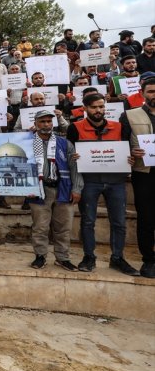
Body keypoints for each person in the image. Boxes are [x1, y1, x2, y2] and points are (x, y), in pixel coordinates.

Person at [67, 93, 138, 276]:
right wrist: (72, 157)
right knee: (88, 221)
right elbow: (69, 154)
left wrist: (130, 157)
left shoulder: (119, 127)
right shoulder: (74, 128)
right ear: (84, 109)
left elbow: (128, 150)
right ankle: (89, 257)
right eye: (94, 107)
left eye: (101, 107)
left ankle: (117, 258)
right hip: (89, 182)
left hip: (116, 181)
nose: (98, 110)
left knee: (119, 222)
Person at [26, 110, 83, 271]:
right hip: (38, 189)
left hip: (63, 188)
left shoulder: (64, 143)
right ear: (35, 123)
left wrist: (77, 188)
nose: (46, 124)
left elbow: (75, 167)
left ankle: (62, 258)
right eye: (42, 121)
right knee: (40, 227)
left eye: (49, 121)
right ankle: (40, 256)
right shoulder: (27, 142)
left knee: (63, 227)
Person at [120, 76, 155, 278]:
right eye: (151, 91)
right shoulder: (130, 115)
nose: (154, 95)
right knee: (146, 218)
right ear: (142, 93)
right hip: (144, 174)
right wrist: (132, 152)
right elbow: (122, 145)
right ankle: (149, 259)